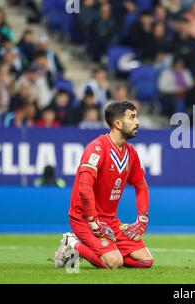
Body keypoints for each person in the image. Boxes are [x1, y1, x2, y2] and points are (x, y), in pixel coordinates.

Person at [54, 101, 153, 269]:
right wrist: (93, 221)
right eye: (132, 117)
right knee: (114, 262)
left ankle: (105, 250)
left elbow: (141, 186)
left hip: (110, 220)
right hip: (84, 218)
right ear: (117, 124)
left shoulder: (131, 154)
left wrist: (142, 219)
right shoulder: (97, 148)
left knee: (145, 261)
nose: (138, 122)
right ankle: (72, 243)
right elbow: (84, 188)